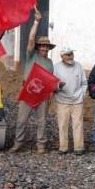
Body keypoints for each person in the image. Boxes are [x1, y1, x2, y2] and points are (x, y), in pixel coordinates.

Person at [10, 9, 54, 154]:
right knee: (21, 119)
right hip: (28, 91)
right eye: (41, 45)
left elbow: (49, 80)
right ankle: (18, 143)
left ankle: (41, 144)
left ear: (48, 48)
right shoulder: (31, 56)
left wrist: (50, 94)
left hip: (42, 95)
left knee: (42, 121)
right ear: (38, 47)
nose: (43, 48)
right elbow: (30, 39)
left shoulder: (50, 63)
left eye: (46, 46)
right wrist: (36, 21)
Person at [53, 47, 86, 155]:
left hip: (77, 101)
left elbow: (84, 83)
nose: (70, 56)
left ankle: (79, 147)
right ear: (62, 57)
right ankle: (63, 148)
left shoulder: (79, 66)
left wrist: (82, 95)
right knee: (62, 125)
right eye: (67, 54)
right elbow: (53, 85)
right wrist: (59, 86)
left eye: (71, 54)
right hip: (62, 101)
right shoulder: (56, 67)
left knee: (78, 124)